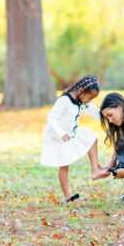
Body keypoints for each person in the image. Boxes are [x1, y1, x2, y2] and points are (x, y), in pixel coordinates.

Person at [40, 75, 105, 203]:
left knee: (92, 138)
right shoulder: (64, 101)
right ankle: (67, 196)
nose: (89, 101)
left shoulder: (82, 101)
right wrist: (61, 133)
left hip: (71, 133)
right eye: (89, 98)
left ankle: (95, 170)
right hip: (58, 135)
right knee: (64, 165)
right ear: (81, 90)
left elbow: (96, 112)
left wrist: (109, 119)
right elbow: (51, 118)